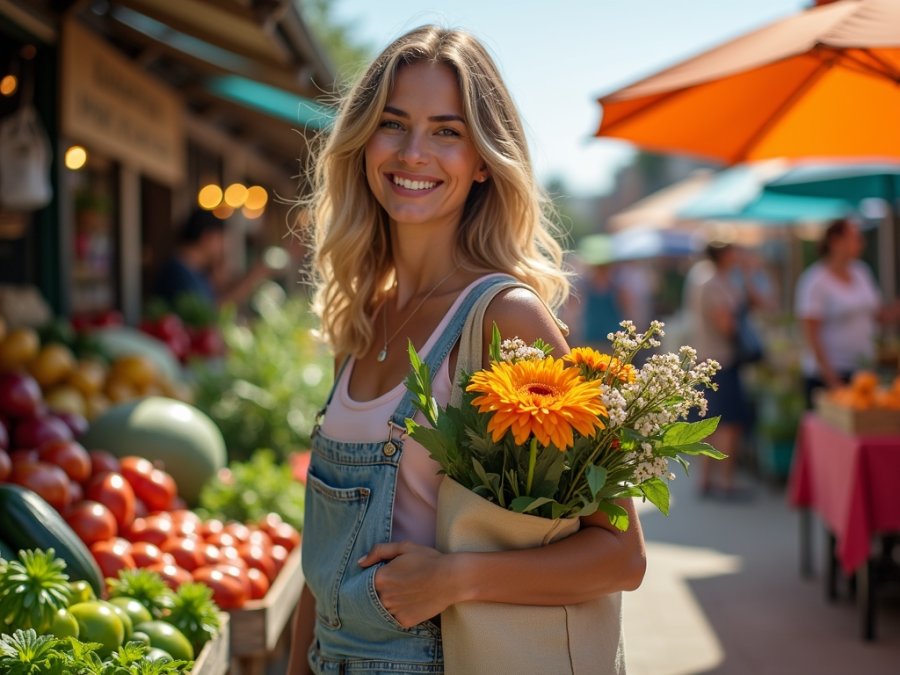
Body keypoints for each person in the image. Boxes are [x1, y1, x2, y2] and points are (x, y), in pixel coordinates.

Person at [286, 25, 646, 674]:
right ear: (364, 141)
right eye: (393, 124)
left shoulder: (506, 318)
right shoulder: (367, 316)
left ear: (483, 159)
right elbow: (325, 559)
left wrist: (456, 578)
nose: (414, 152)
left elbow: (620, 556)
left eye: (446, 131)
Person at [795, 218, 899, 408]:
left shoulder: (862, 272)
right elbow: (811, 334)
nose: (861, 243)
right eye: (855, 238)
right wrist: (831, 379)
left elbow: (878, 316)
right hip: (830, 375)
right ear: (836, 241)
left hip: (862, 372)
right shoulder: (815, 280)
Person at [684, 241, 753, 499]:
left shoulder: (702, 277)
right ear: (724, 253)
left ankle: (706, 480)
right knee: (726, 423)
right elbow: (725, 323)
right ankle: (725, 480)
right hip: (719, 358)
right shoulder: (714, 282)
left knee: (710, 421)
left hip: (707, 356)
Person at [152, 208, 274, 310]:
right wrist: (253, 278)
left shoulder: (196, 270)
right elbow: (209, 313)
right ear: (207, 237)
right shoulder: (177, 271)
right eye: (221, 240)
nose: (224, 248)